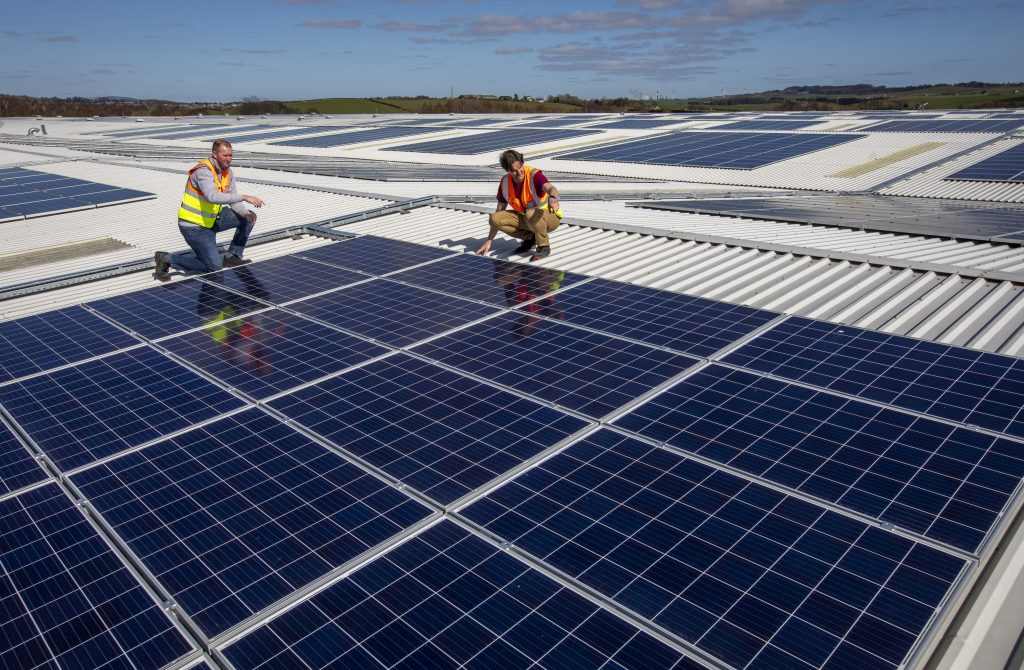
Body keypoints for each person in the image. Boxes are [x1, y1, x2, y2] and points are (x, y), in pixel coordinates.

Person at [154, 139, 264, 280]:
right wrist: (244, 197)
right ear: (214, 154)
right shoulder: (203, 171)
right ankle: (167, 258)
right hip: (195, 227)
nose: (228, 159)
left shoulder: (227, 173)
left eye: (230, 155)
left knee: (249, 217)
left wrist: (245, 213)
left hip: (212, 219)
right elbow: (212, 197)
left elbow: (233, 200)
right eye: (225, 155)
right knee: (214, 268)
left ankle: (233, 256)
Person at [476, 148, 562, 261]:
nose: (519, 172)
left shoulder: (534, 175)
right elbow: (499, 211)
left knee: (530, 213)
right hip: (528, 220)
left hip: (550, 217)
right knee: (495, 219)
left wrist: (553, 198)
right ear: (507, 170)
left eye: (520, 167)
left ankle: (544, 246)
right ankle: (531, 238)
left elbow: (551, 188)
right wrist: (489, 240)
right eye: (514, 171)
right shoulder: (505, 183)